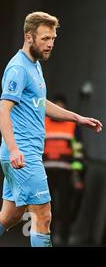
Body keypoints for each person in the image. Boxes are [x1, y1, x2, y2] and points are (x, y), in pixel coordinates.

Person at [0, 12, 103, 247]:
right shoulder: (18, 69)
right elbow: (3, 111)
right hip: (23, 155)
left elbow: (41, 103)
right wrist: (13, 150)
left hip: (22, 154)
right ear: (28, 37)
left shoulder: (35, 65)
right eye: (45, 38)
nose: (50, 44)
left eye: (53, 38)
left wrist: (77, 118)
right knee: (43, 215)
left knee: (9, 215)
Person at [43, 95, 86, 246]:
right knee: (47, 206)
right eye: (56, 107)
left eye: (61, 107)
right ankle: (48, 236)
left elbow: (78, 151)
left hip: (66, 173)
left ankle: (64, 237)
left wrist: (77, 174)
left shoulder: (72, 126)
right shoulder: (43, 123)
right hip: (46, 172)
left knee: (65, 206)